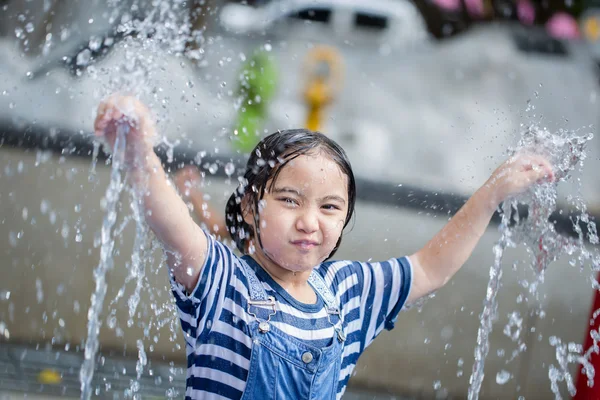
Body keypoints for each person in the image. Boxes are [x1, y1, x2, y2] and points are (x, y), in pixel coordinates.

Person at [94, 94, 554, 400]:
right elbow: (171, 223)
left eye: (331, 207)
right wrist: (139, 152)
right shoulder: (223, 282)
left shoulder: (348, 293)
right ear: (253, 207)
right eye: (290, 200)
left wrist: (492, 191)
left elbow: (432, 267)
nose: (310, 221)